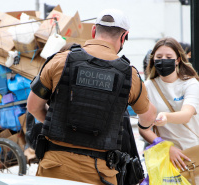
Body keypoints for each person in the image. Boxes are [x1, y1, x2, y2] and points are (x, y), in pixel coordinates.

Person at [27, 8, 156, 185]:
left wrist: (57, 123)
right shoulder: (130, 75)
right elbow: (147, 117)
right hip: (100, 173)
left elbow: (33, 107)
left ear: (94, 30)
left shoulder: (60, 61)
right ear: (123, 36)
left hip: (54, 168)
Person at [139, 37, 199, 184]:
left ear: (178, 59)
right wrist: (166, 147)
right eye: (159, 57)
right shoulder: (147, 87)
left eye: (168, 57)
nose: (163, 60)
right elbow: (143, 128)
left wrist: (166, 116)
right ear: (153, 60)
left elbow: (186, 114)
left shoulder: (190, 84)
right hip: (168, 157)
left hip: (194, 153)